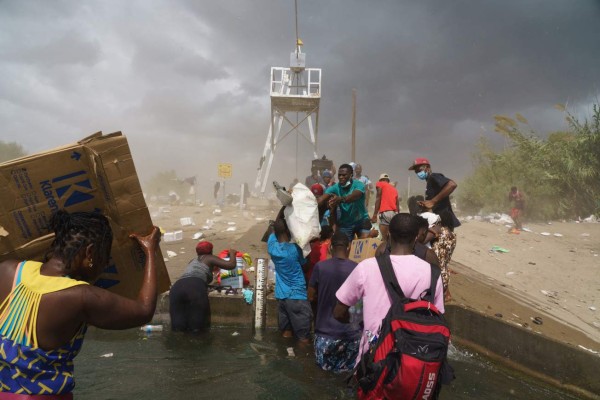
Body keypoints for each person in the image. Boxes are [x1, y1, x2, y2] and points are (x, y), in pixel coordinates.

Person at [0, 209, 160, 397]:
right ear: (90, 253)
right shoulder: (81, 296)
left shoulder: (8, 269)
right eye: (105, 258)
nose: (104, 266)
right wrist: (150, 251)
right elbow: (144, 310)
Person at [333, 213, 444, 361]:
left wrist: (362, 325)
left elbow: (339, 312)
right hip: (414, 359)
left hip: (373, 358)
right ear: (416, 237)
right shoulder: (432, 273)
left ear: (389, 234)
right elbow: (439, 317)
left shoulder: (367, 267)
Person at [308, 231, 361, 373]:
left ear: (330, 247)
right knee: (347, 378)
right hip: (351, 336)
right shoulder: (358, 269)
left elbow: (311, 296)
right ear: (349, 247)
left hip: (325, 335)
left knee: (323, 378)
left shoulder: (320, 267)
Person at [408, 157, 460, 302]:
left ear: (427, 167)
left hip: (443, 227)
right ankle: (444, 293)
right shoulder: (429, 184)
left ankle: (445, 296)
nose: (418, 172)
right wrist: (427, 204)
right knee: (439, 260)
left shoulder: (434, 177)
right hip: (441, 226)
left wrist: (433, 201)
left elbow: (452, 184)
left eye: (420, 169)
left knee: (438, 261)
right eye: (416, 171)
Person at [169, 241, 238, 333]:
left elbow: (204, 269)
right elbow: (231, 265)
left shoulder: (192, 261)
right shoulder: (210, 257)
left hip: (176, 288)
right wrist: (232, 253)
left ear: (197, 252)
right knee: (197, 328)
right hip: (194, 287)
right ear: (211, 251)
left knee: (178, 329)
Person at [267, 219, 312, 343]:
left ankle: (285, 355)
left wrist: (273, 226)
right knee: (304, 338)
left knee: (286, 333)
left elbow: (272, 231)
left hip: (282, 297)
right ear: (289, 230)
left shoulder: (272, 248)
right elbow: (306, 266)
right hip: (297, 296)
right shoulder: (295, 249)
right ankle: (302, 358)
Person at [318, 163, 372, 241]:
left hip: (362, 220)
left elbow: (355, 195)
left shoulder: (359, 185)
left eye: (344, 175)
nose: (341, 177)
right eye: (339, 175)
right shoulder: (335, 187)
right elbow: (321, 199)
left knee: (364, 244)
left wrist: (341, 199)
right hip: (346, 223)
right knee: (342, 246)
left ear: (351, 175)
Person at [371, 173, 400, 243]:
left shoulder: (380, 184)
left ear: (381, 180)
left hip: (385, 212)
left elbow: (378, 198)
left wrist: (375, 214)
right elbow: (397, 205)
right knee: (392, 238)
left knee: (384, 239)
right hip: (394, 214)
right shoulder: (394, 189)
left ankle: (384, 253)